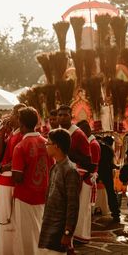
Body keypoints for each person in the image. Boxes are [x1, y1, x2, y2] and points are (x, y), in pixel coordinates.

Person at [12, 107, 53, 254]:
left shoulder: (20, 146)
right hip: (44, 194)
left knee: (25, 235)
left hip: (25, 196)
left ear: (21, 124)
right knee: (40, 230)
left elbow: (17, 177)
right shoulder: (47, 142)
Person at [39, 129, 81, 254]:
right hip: (50, 223)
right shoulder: (55, 167)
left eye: (48, 143)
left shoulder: (70, 171)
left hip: (59, 228)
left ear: (56, 146)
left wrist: (68, 232)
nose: (46, 146)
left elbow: (73, 205)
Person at [0, 103, 25, 255]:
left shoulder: (21, 136)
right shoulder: (13, 132)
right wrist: (1, 134)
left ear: (19, 118)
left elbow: (15, 162)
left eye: (12, 113)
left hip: (9, 178)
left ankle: (8, 249)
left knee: (6, 216)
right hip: (4, 176)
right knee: (4, 215)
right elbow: (1, 154)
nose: (9, 116)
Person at [57, 105, 91, 244]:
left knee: (70, 209)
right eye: (60, 115)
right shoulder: (57, 132)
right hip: (60, 175)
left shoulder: (78, 134)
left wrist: (68, 152)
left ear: (71, 117)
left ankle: (70, 237)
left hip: (74, 177)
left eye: (65, 115)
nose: (62, 117)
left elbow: (88, 161)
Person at [76, 120, 100, 240]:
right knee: (81, 208)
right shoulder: (89, 142)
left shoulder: (93, 144)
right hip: (85, 177)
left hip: (87, 178)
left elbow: (92, 165)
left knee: (84, 209)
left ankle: (82, 234)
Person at [97, 136, 121, 221]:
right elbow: (110, 163)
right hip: (106, 172)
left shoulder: (98, 145)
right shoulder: (109, 149)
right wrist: (116, 167)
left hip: (96, 170)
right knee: (111, 192)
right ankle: (116, 213)